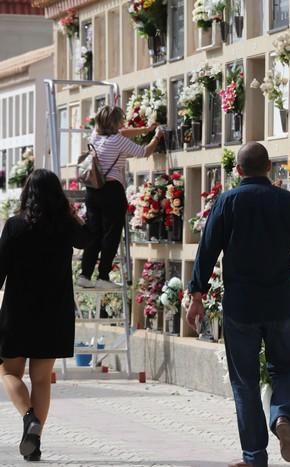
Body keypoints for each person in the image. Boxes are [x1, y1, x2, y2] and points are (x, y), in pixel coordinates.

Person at [186, 141, 290, 467]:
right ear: (270, 169)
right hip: (281, 304)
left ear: (238, 171)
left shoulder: (227, 201)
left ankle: (254, 458)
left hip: (241, 307)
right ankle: (282, 418)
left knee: (245, 382)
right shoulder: (289, 202)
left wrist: (196, 297)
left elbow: (206, 250)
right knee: (288, 369)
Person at [0, 169, 91, 462]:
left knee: (8, 371)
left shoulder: (15, 226)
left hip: (18, 311)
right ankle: (34, 442)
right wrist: (71, 213)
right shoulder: (66, 226)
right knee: (41, 379)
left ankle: (29, 419)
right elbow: (88, 240)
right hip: (55, 313)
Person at [77, 106, 163, 289]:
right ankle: (103, 276)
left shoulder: (94, 136)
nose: (123, 123)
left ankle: (84, 274)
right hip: (112, 191)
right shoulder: (117, 141)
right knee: (111, 234)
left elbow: (122, 132)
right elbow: (144, 152)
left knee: (94, 233)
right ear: (115, 122)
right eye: (120, 120)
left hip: (92, 190)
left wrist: (144, 129)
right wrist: (156, 136)